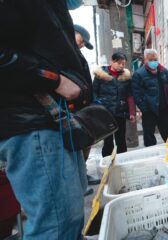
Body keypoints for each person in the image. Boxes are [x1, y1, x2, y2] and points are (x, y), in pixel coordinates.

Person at [0, 1, 91, 239]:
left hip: (55, 119)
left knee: (70, 220)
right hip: (32, 119)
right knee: (56, 225)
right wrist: (54, 80)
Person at [93, 52, 135, 157]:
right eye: (119, 63)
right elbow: (94, 92)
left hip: (120, 112)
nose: (122, 66)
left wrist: (132, 112)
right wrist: (98, 106)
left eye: (124, 64)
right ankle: (107, 164)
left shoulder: (126, 76)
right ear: (112, 61)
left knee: (121, 140)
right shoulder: (101, 74)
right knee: (108, 141)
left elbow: (130, 95)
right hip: (105, 113)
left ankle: (122, 162)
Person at [73, 24, 100, 192]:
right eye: (82, 41)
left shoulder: (76, 54)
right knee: (76, 145)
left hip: (83, 108)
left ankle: (82, 176)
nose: (82, 45)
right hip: (73, 109)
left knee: (85, 144)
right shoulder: (62, 52)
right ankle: (78, 182)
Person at [132, 49, 168, 146]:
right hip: (149, 112)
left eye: (155, 59)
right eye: (150, 59)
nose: (153, 62)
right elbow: (136, 94)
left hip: (164, 111)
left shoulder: (164, 72)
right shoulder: (139, 74)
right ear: (145, 60)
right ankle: (152, 159)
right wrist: (145, 109)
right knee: (149, 138)